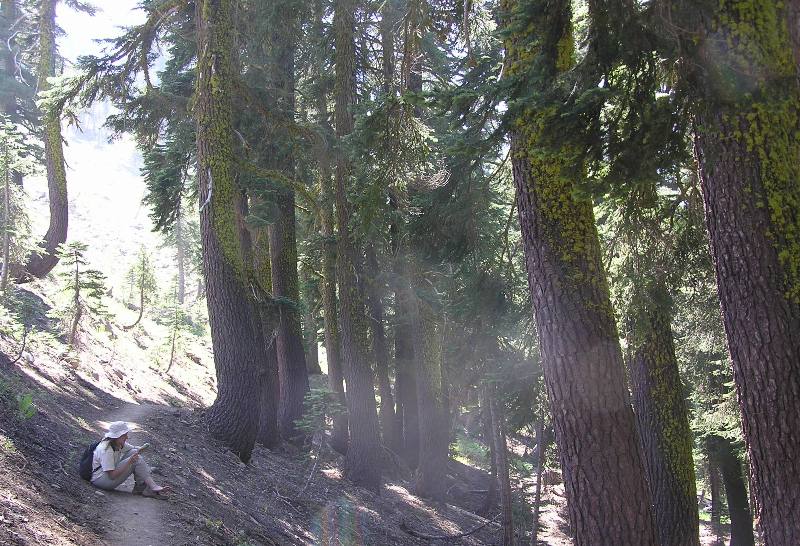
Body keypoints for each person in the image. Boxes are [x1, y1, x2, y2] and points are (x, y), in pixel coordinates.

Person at [90, 421, 171, 499]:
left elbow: (134, 449)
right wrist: (129, 462)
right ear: (118, 436)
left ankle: (141, 487)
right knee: (136, 460)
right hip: (100, 481)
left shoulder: (116, 443)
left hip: (105, 476)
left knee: (133, 453)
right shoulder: (106, 450)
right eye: (125, 435)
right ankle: (151, 486)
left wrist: (141, 449)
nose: (127, 437)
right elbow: (112, 475)